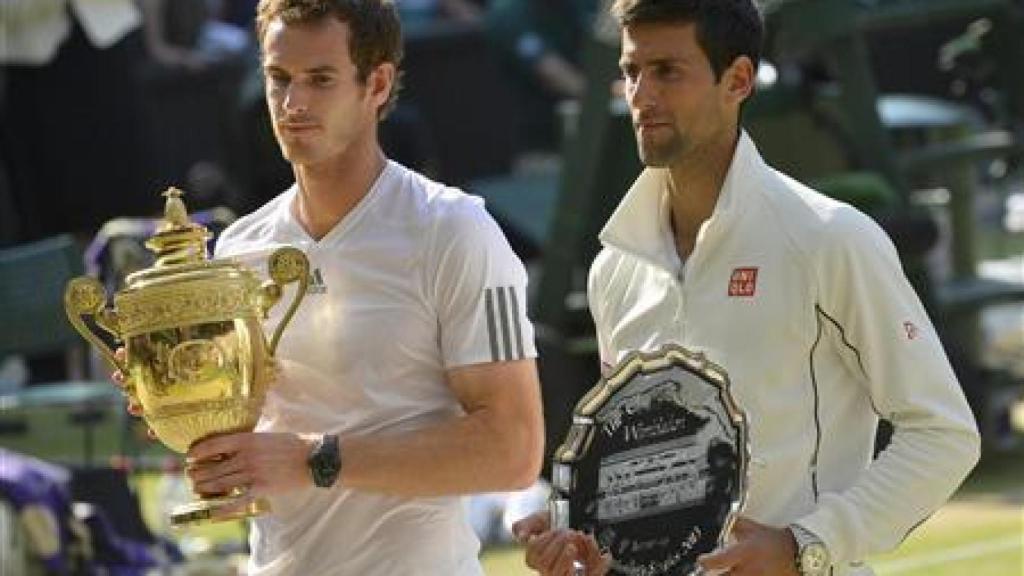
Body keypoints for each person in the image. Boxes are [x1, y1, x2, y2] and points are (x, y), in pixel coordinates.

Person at [513, 1, 981, 575]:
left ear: (738, 80)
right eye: (632, 71)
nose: (641, 95)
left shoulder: (829, 238)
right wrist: (580, 534)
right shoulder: (614, 269)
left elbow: (944, 433)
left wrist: (804, 544)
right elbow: (640, 471)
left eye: (667, 72)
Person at [116, 1, 544, 574]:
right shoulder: (240, 248)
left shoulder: (454, 229)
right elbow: (253, 436)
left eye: (320, 80)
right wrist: (176, 395)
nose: (293, 105)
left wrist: (313, 460)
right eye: (279, 79)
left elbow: (514, 450)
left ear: (378, 84)